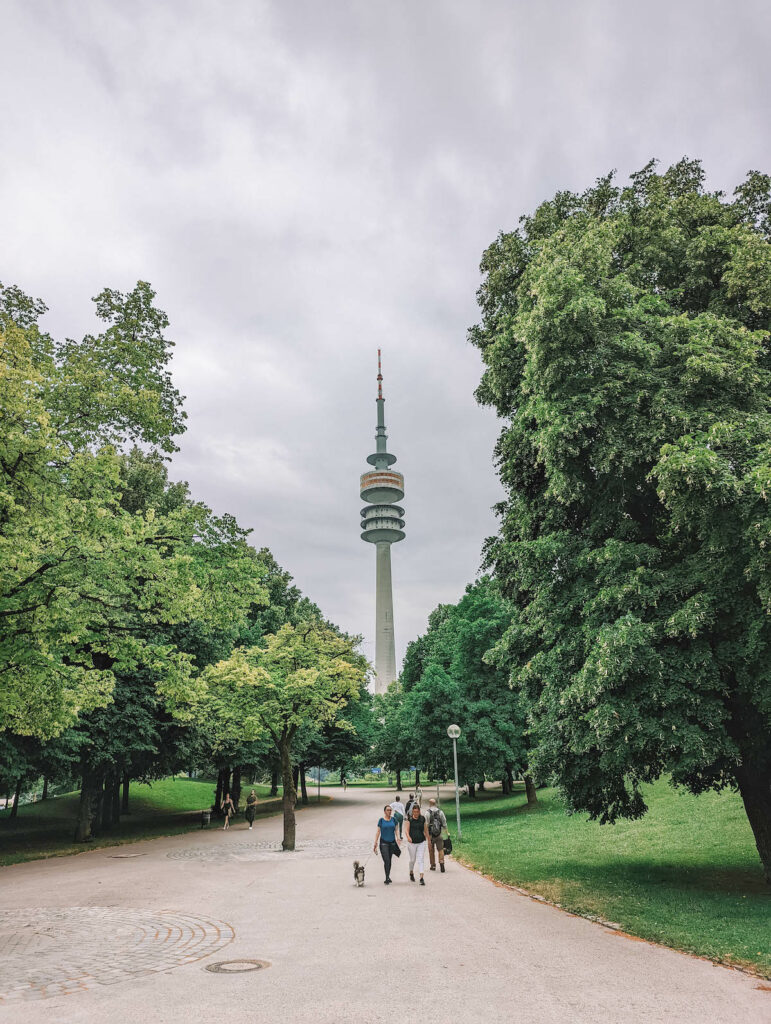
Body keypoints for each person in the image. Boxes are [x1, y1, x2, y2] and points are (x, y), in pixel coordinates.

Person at [374, 803, 402, 884]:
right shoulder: (381, 820)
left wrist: (398, 838)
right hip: (383, 843)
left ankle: (388, 876)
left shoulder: (394, 820)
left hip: (392, 843)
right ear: (384, 811)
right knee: (386, 860)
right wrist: (375, 842)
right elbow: (378, 832)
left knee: (389, 860)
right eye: (388, 810)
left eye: (390, 810)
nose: (389, 811)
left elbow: (396, 830)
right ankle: (386, 878)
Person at [406, 802, 429, 885]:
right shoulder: (410, 819)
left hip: (421, 842)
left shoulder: (422, 819)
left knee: (421, 859)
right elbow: (406, 830)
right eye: (414, 812)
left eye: (417, 812)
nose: (416, 813)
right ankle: (411, 872)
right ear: (412, 812)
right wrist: (408, 837)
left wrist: (428, 839)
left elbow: (425, 829)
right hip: (412, 843)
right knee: (412, 860)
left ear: (419, 811)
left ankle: (421, 878)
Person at [425, 797, 447, 872]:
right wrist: (446, 833)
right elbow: (444, 823)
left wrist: (426, 835)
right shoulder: (440, 812)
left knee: (431, 850)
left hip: (431, 835)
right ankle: (441, 862)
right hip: (439, 834)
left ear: (430, 804)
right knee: (440, 849)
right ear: (435, 804)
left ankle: (433, 865)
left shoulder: (427, 813)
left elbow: (426, 824)